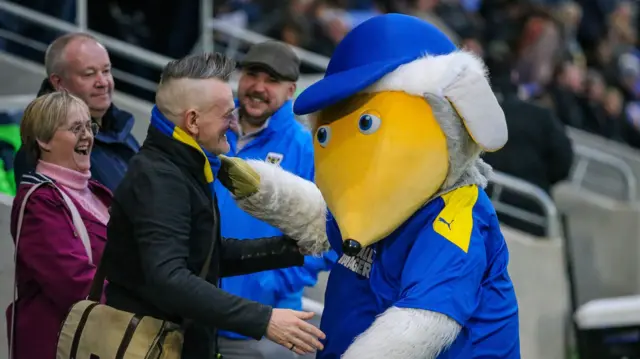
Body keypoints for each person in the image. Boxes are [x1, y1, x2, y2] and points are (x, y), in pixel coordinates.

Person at [102, 52, 326, 359]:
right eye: (225, 114)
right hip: (150, 345)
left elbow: (206, 253)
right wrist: (264, 319)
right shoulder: (160, 178)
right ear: (193, 121)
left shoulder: (184, 166)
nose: (234, 122)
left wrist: (294, 249)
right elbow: (170, 278)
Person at [215, 40, 336, 359]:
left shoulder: (308, 149)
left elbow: (330, 234)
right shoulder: (211, 132)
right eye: (253, 75)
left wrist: (270, 281)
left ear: (291, 90)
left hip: (265, 324)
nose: (258, 87)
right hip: (196, 311)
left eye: (272, 80)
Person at [7, 91, 111, 359]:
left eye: (90, 126)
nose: (87, 135)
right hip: (56, 347)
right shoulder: (39, 203)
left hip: (95, 342)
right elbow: (74, 283)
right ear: (44, 140)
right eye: (76, 128)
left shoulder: (96, 193)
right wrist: (141, 295)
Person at [13, 32, 140, 192]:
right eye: (89, 74)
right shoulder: (46, 150)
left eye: (106, 71)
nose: (103, 82)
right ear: (58, 83)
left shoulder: (121, 129)